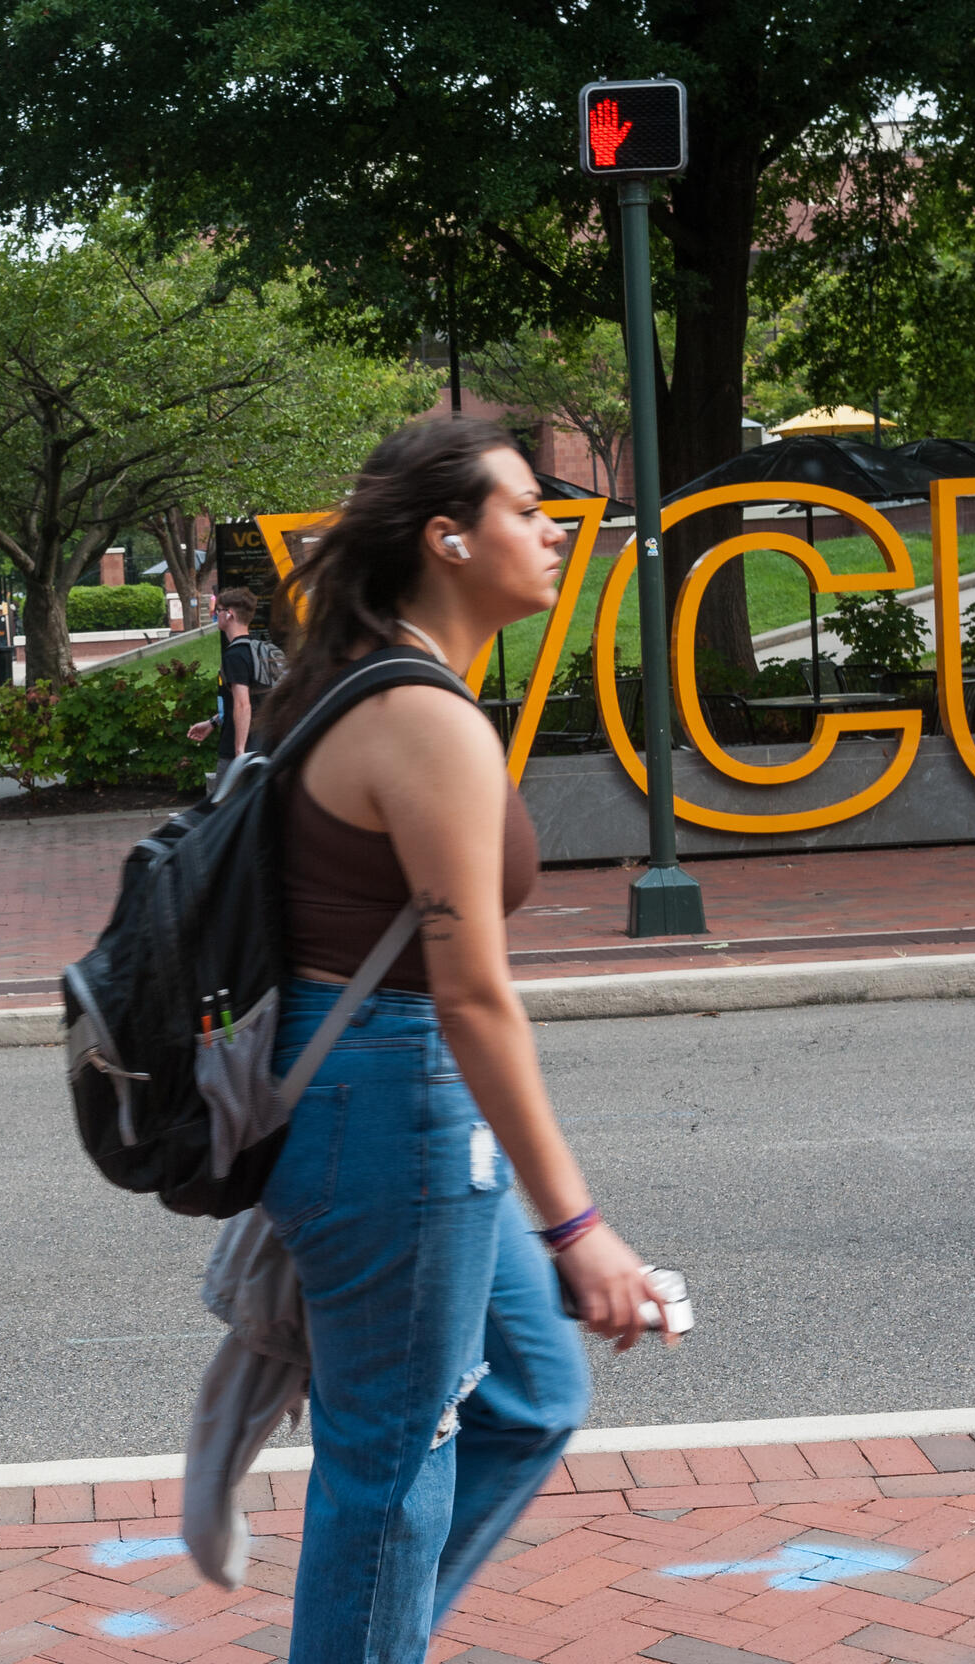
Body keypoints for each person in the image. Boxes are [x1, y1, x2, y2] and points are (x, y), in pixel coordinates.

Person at [255, 418, 669, 1657]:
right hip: (383, 1086)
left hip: (376, 1081)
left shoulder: (374, 680)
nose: (554, 529)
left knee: (532, 1391)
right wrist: (577, 1224)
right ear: (447, 538)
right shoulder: (421, 715)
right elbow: (473, 993)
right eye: (526, 507)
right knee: (390, 1465)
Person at [187, 588, 262, 770]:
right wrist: (213, 722)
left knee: (227, 799)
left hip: (239, 754)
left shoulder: (235, 655)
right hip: (263, 747)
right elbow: (255, 700)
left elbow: (243, 704)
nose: (215, 614)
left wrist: (239, 754)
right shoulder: (259, 650)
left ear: (229, 614)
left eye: (218, 610)